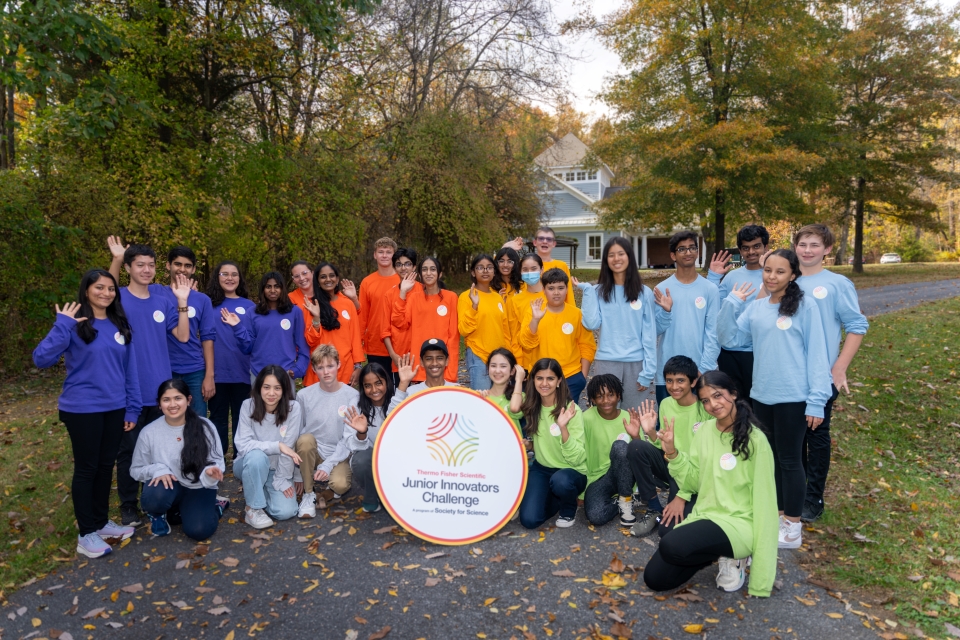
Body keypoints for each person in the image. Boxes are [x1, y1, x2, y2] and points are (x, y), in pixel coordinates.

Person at [717, 249, 831, 550]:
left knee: (791, 460)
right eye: (768, 270)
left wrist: (817, 401)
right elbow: (728, 339)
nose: (771, 276)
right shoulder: (757, 308)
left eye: (780, 271)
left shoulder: (805, 307)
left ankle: (793, 527)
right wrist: (731, 303)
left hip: (794, 397)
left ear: (793, 275)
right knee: (770, 460)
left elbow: (818, 355)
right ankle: (779, 516)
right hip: (762, 396)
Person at [33, 269, 142, 558]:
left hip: (115, 407)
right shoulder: (74, 324)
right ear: (86, 290)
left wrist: (133, 406)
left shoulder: (120, 324)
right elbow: (41, 359)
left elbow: (129, 370)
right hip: (82, 409)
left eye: (110, 289)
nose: (106, 293)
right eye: (99, 288)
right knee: (87, 468)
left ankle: (101, 521)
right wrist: (62, 326)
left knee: (106, 466)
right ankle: (86, 533)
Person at [642, 370, 779, 597]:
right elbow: (693, 481)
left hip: (740, 522)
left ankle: (737, 555)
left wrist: (761, 581)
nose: (713, 405)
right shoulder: (704, 431)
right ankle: (716, 551)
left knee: (670, 543)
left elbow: (766, 504)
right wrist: (673, 452)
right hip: (706, 515)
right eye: (705, 400)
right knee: (655, 579)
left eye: (718, 396)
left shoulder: (756, 440)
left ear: (733, 394)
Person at [107, 239, 192, 526]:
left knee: (162, 449)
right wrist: (116, 259)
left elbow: (182, 336)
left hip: (161, 391)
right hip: (129, 390)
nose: (146, 270)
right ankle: (129, 505)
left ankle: (157, 501)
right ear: (129, 268)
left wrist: (182, 302)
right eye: (140, 265)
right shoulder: (117, 298)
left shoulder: (163, 301)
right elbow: (102, 289)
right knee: (129, 452)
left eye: (151, 265)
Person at [793, 224, 868, 522]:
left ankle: (814, 499)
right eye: (803, 244)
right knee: (791, 438)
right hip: (787, 375)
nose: (808, 250)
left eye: (814, 245)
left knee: (816, 436)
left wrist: (839, 367)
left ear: (826, 250)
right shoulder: (786, 278)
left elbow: (857, 326)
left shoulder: (837, 284)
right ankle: (793, 495)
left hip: (820, 376)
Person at [110, 243, 216, 417]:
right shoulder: (154, 291)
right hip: (165, 369)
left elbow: (207, 338)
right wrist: (118, 260)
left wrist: (209, 375)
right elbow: (111, 292)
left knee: (197, 419)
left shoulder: (201, 299)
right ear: (168, 266)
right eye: (177, 264)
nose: (182, 269)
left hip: (194, 368)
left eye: (187, 265)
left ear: (194, 269)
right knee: (169, 420)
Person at [576, 236, 669, 412]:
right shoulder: (598, 291)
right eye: (611, 255)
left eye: (621, 253)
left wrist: (648, 371)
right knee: (605, 415)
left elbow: (649, 334)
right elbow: (590, 323)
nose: (616, 259)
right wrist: (588, 292)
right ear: (606, 260)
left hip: (636, 364)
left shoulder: (644, 293)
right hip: (606, 362)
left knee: (635, 416)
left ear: (629, 257)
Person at [131, 379, 229, 540]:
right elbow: (135, 470)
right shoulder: (149, 432)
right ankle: (157, 514)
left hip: (198, 485)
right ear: (159, 404)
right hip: (169, 487)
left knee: (199, 531)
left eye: (178, 398)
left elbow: (217, 462)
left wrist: (209, 473)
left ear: (188, 400)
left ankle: (216, 507)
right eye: (166, 400)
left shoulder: (205, 426)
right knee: (155, 496)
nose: (172, 404)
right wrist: (158, 470)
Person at [627, 356, 710, 538]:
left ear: (694, 381)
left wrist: (682, 495)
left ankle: (699, 508)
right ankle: (654, 508)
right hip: (671, 463)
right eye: (669, 381)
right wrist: (650, 433)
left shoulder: (706, 409)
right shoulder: (666, 403)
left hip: (695, 474)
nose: (674, 387)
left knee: (667, 532)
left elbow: (709, 460)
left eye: (681, 381)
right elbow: (664, 443)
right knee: (636, 446)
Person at [517, 358, 588, 529]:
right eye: (539, 378)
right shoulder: (532, 406)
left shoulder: (572, 410)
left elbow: (578, 458)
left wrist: (563, 428)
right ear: (533, 380)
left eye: (550, 378)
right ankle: (556, 499)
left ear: (559, 381)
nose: (544, 383)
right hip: (542, 468)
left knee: (561, 481)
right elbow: (510, 404)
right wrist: (530, 445)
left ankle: (568, 506)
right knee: (529, 520)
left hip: (570, 471)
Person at [294, 345, 360, 518]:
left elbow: (349, 438)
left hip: (339, 453)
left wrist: (328, 464)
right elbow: (297, 434)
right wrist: (296, 474)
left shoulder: (352, 396)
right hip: (312, 451)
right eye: (320, 368)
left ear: (339, 365)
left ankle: (329, 490)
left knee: (340, 485)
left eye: (330, 366)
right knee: (306, 439)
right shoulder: (304, 396)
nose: (326, 372)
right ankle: (309, 494)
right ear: (314, 369)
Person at [654, 231, 720, 405]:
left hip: (699, 372)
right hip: (668, 373)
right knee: (668, 427)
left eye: (692, 248)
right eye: (682, 249)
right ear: (673, 255)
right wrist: (666, 312)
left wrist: (704, 370)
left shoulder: (710, 289)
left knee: (701, 427)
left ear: (697, 252)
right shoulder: (661, 289)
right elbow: (655, 330)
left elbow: (714, 333)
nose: (688, 252)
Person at [233, 365, 303, 529]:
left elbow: (290, 447)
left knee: (286, 512)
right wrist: (277, 445)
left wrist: (281, 479)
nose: (271, 393)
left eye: (277, 388)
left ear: (284, 389)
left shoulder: (293, 408)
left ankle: (256, 489)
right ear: (258, 387)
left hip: (278, 468)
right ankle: (253, 508)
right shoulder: (247, 406)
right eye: (266, 387)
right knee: (257, 457)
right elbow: (243, 445)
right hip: (248, 463)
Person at [705, 225, 770, 399]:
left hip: (760, 350)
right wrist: (713, 277)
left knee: (757, 400)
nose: (751, 252)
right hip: (730, 352)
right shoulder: (731, 277)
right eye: (746, 248)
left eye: (756, 246)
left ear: (766, 247)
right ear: (740, 250)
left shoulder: (774, 276)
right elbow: (714, 308)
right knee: (734, 401)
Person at [519, 268, 596, 403]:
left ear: (567, 289)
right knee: (540, 419)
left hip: (570, 376)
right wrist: (535, 321)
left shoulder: (576, 314)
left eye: (560, 288)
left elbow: (587, 345)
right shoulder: (533, 312)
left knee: (567, 420)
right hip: (541, 376)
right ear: (544, 289)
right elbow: (526, 343)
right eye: (551, 288)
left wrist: (582, 377)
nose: (556, 292)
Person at [221, 272, 310, 386]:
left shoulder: (294, 312)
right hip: (259, 374)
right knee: (258, 404)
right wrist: (237, 327)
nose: (272, 290)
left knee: (287, 405)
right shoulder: (252, 312)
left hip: (285, 374)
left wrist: (298, 369)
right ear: (263, 289)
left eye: (276, 286)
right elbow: (247, 348)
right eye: (268, 286)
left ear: (282, 288)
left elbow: (303, 347)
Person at [206, 261, 255, 458]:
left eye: (234, 274)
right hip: (216, 372)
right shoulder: (207, 304)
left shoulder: (249, 306)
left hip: (242, 372)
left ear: (239, 278)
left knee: (240, 417)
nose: (229, 278)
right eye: (224, 274)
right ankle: (217, 458)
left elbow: (252, 340)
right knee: (217, 417)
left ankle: (240, 458)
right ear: (217, 278)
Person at [582, 375, 639, 528]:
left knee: (620, 446)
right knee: (596, 516)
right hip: (599, 477)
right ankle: (620, 501)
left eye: (610, 395)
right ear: (593, 399)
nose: (606, 400)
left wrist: (636, 436)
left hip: (626, 476)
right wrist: (581, 493)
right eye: (599, 396)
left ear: (618, 395)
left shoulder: (628, 417)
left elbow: (641, 454)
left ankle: (626, 499)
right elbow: (579, 452)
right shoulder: (586, 419)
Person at [391, 256, 460, 383]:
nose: (428, 273)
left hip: (443, 368)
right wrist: (402, 293)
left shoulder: (451, 297)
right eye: (425, 270)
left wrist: (450, 372)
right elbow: (399, 323)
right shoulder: (413, 298)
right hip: (419, 368)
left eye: (433, 269)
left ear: (440, 274)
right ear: (420, 274)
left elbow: (453, 337)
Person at [344, 363, 397, 513]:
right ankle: (372, 496)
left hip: (394, 459)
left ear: (386, 382)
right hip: (370, 461)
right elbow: (352, 446)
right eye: (368, 386)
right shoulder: (356, 405)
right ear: (362, 387)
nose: (374, 390)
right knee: (362, 460)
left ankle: (393, 494)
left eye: (378, 383)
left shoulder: (397, 401)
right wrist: (362, 433)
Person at [302, 262, 364, 387]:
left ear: (337, 279)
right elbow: (310, 340)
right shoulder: (311, 305)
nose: (328, 279)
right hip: (320, 371)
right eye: (323, 277)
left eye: (331, 276)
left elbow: (355, 337)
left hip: (345, 368)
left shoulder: (348, 304)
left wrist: (358, 366)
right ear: (317, 281)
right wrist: (316, 317)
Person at [458, 254, 509, 390]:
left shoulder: (498, 297)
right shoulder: (466, 297)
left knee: (499, 403)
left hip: (499, 358)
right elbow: (463, 330)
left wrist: (508, 356)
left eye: (489, 267)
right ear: (473, 272)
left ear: (494, 271)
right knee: (482, 401)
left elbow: (504, 330)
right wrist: (474, 307)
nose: (485, 271)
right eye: (480, 267)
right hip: (478, 355)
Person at [289, 261, 360, 351]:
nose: (302, 278)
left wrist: (354, 299)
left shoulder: (330, 293)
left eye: (304, 273)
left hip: (335, 351)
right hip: (308, 352)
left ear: (312, 273)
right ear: (293, 280)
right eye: (297, 276)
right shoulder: (290, 299)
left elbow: (352, 313)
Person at [359, 237, 400, 373]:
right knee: (379, 386)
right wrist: (358, 343)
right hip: (376, 344)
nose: (384, 255)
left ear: (394, 255)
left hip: (400, 343)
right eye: (381, 252)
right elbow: (362, 316)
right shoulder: (367, 282)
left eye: (388, 252)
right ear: (375, 255)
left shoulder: (403, 279)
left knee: (401, 388)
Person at [381, 248, 419, 384]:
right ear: (395, 268)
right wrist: (393, 355)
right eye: (399, 264)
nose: (403, 268)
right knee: (402, 400)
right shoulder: (389, 295)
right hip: (400, 358)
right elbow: (385, 330)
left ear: (414, 266)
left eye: (407, 264)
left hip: (421, 356)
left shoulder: (424, 290)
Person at [505, 254, 546, 370]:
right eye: (525, 270)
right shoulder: (515, 301)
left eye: (533, 269)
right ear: (520, 272)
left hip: (552, 359)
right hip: (528, 363)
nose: (529, 273)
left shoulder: (552, 295)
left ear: (541, 270)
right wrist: (519, 364)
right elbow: (514, 334)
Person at [393, 342, 459, 403]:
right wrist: (403, 383)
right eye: (429, 359)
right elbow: (391, 414)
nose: (434, 363)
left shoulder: (456, 390)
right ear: (421, 362)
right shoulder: (412, 392)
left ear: (447, 361)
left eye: (439, 358)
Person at [478, 348, 525, 432]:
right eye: (493, 366)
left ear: (512, 371)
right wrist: (477, 399)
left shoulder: (520, 396)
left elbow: (514, 408)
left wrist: (519, 381)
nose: (497, 371)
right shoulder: (482, 396)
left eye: (503, 366)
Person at [531, 227, 574, 304]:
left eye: (549, 239)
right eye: (541, 238)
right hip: (530, 311)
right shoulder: (525, 265)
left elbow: (568, 294)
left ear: (554, 244)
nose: (545, 241)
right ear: (535, 242)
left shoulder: (562, 265)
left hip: (556, 312)